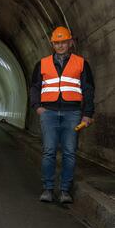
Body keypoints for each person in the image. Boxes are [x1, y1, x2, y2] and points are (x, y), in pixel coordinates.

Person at [30, 26, 94, 204]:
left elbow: (88, 90)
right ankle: (48, 189)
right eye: (56, 43)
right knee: (49, 151)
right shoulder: (42, 64)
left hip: (72, 113)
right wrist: (37, 107)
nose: (60, 46)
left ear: (70, 42)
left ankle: (65, 190)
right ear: (52, 44)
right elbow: (35, 87)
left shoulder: (81, 63)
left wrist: (87, 113)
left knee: (69, 153)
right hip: (48, 113)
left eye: (63, 42)